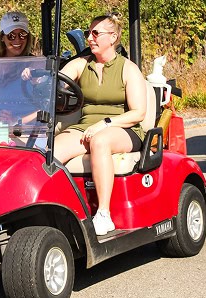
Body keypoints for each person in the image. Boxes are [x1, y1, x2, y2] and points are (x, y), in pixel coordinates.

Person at [54, 13, 147, 235]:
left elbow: (138, 113)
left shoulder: (128, 68)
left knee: (100, 142)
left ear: (113, 37)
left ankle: (103, 214)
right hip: (86, 126)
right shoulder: (80, 64)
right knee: (50, 151)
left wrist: (105, 124)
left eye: (96, 33)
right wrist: (39, 80)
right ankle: (56, 210)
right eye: (88, 33)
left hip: (123, 128)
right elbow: (55, 81)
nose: (89, 38)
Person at [0, 11, 39, 125]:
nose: (17, 40)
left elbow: (46, 109)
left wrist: (17, 122)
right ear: (2, 38)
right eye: (11, 35)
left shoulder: (37, 64)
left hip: (30, 131)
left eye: (22, 35)